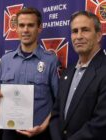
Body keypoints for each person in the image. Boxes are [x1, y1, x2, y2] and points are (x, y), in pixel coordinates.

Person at [0, 7, 60, 140]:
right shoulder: (6, 60)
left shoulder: (51, 60)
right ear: (16, 29)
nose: (25, 30)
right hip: (9, 133)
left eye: (31, 25)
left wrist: (44, 126)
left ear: (39, 28)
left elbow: (59, 101)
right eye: (21, 25)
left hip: (40, 133)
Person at [49, 10, 106, 140]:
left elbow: (101, 124)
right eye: (75, 31)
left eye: (85, 30)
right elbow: (56, 113)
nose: (78, 36)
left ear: (98, 35)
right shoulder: (68, 71)